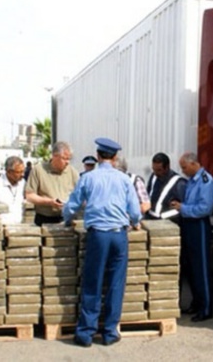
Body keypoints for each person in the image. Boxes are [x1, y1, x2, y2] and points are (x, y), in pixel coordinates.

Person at [63, 137, 142, 348]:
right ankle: (109, 332)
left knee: (93, 282)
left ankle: (86, 333)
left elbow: (72, 205)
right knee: (116, 284)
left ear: (98, 156)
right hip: (118, 236)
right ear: (115, 158)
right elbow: (135, 210)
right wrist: (135, 222)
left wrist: (68, 220)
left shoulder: (88, 178)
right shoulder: (124, 179)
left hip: (98, 236)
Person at [170, 152, 213, 322]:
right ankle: (196, 303)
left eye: (184, 167)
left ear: (194, 164)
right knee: (190, 267)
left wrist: (183, 208)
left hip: (198, 225)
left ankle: (205, 308)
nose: (182, 171)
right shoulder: (192, 181)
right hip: (188, 224)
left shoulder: (206, 181)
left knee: (201, 268)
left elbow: (203, 208)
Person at [25, 141, 79, 226]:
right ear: (54, 156)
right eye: (64, 158)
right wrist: (49, 202)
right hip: (44, 218)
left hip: (65, 218)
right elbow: (30, 196)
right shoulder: (38, 170)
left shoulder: (72, 172)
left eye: (69, 159)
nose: (67, 162)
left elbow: (80, 195)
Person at [146, 152, 186, 221]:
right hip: (151, 218)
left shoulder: (179, 183)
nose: (156, 173)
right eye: (154, 169)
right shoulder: (153, 177)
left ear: (167, 167)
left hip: (169, 222)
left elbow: (182, 207)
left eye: (159, 170)